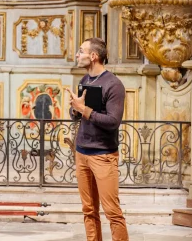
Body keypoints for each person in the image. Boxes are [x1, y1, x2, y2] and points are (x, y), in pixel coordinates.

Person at [67, 38, 129, 241]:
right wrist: (75, 109)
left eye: (81, 51)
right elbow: (79, 114)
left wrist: (84, 109)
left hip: (103, 154)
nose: (77, 55)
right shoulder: (85, 81)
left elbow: (112, 121)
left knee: (112, 211)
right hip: (82, 151)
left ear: (93, 56)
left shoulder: (114, 85)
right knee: (88, 209)